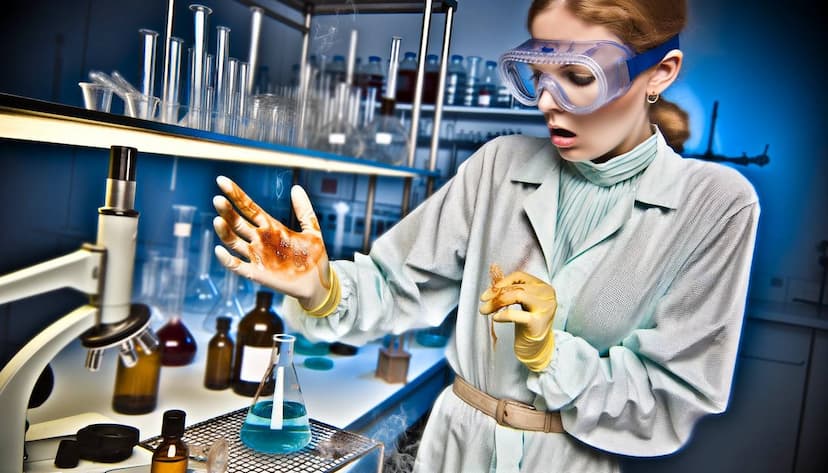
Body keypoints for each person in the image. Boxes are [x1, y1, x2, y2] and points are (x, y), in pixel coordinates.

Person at [211, 0, 760, 471]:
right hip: (454, 447)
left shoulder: (715, 206)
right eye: (538, 74)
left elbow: (672, 397)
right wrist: (323, 286)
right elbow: (396, 285)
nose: (547, 101)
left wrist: (550, 354)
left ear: (659, 73)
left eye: (578, 77)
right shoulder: (500, 163)